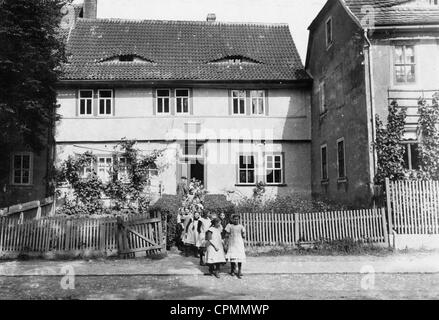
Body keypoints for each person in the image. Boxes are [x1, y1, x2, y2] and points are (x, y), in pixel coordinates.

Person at [225, 214, 246, 279]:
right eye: (234, 219)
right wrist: (226, 243)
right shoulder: (230, 226)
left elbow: (243, 235)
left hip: (239, 243)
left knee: (240, 257)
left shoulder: (241, 226)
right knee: (232, 257)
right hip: (232, 243)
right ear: (232, 219)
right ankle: (232, 270)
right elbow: (226, 235)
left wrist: (243, 235)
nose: (236, 220)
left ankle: (239, 271)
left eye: (237, 219)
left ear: (239, 220)